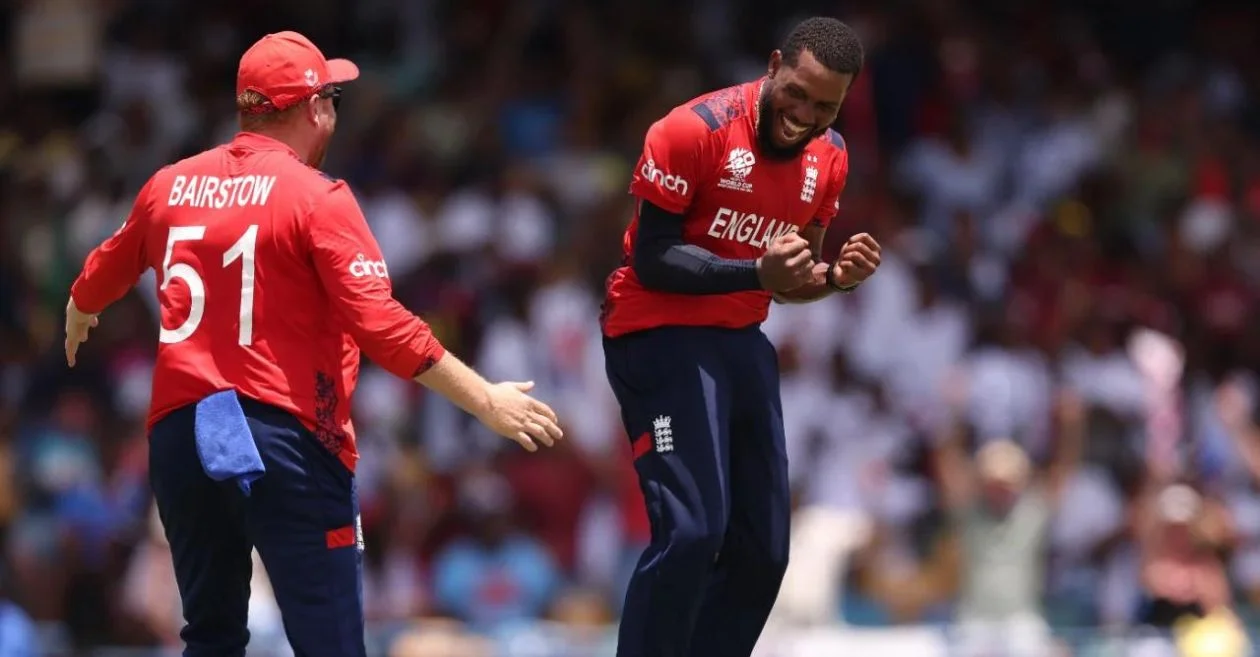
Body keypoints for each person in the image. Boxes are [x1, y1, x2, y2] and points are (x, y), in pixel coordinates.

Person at [63, 31, 563, 657]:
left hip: (183, 437)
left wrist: (80, 308)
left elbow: (105, 267)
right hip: (284, 437)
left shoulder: (169, 185)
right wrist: (485, 399)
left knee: (210, 638)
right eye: (331, 97)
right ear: (314, 108)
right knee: (330, 644)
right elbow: (380, 324)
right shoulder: (317, 197)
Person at [600, 17, 881, 657]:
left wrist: (835, 278)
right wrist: (756, 271)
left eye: (825, 105)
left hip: (739, 340)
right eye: (797, 92)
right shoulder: (691, 130)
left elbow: (792, 282)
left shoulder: (830, 156)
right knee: (694, 532)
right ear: (775, 63)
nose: (804, 114)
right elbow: (652, 257)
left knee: (764, 552)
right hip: (656, 332)